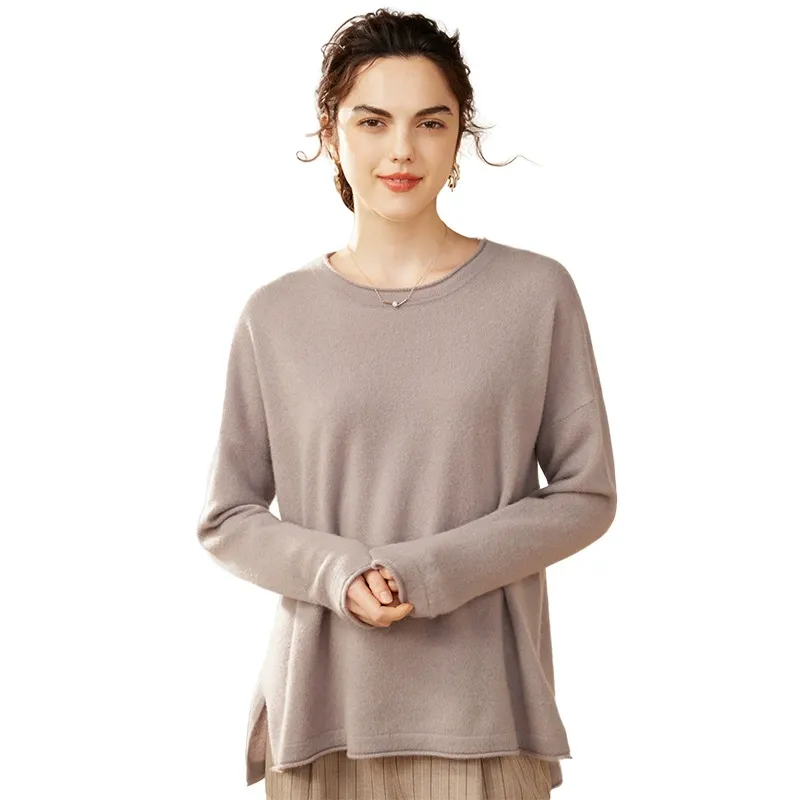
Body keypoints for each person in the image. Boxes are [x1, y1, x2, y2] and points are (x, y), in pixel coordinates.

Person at [196, 9, 617, 799]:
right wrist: (340, 572)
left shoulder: (536, 294)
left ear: (459, 137)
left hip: (482, 718)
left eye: (430, 122)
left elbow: (586, 495)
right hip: (319, 722)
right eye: (373, 120)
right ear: (331, 133)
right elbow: (228, 517)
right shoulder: (275, 314)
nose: (401, 150)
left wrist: (422, 571)